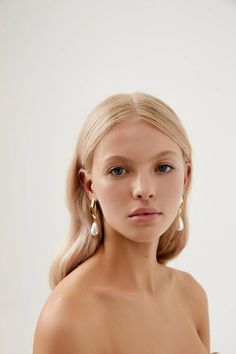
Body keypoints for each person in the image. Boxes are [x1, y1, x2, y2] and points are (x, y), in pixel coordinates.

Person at [33, 92, 218, 354]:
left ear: (186, 177)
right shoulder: (67, 317)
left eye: (163, 167)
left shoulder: (191, 296)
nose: (144, 189)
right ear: (89, 185)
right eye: (118, 170)